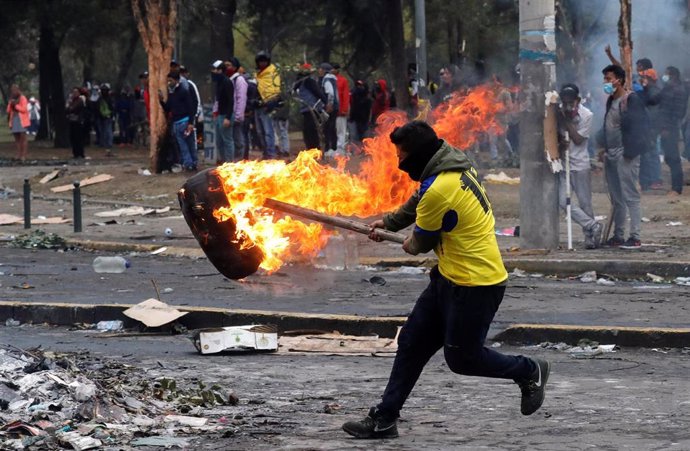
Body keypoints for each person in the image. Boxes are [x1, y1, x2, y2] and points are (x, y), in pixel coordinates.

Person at [342, 121, 551, 439]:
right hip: (448, 277)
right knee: (412, 343)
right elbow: (418, 201)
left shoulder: (442, 189)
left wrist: (401, 239)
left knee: (463, 359)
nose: (399, 163)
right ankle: (384, 418)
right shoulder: (449, 163)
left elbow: (419, 244)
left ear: (420, 155)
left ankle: (528, 369)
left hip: (475, 284)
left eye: (403, 156)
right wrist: (390, 222)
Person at [599, 64, 649, 249]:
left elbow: (640, 128)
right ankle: (618, 235)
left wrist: (630, 152)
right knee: (616, 197)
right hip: (611, 153)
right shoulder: (611, 100)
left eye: (608, 78)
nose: (605, 82)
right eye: (604, 78)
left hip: (625, 154)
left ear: (618, 80)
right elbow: (610, 126)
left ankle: (635, 236)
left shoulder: (631, 100)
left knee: (630, 196)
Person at [557, 83, 601, 249]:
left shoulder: (586, 115)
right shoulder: (558, 113)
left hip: (580, 164)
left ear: (578, 100)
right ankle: (591, 225)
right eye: (564, 102)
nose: (568, 105)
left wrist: (566, 121)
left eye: (571, 102)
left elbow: (578, 139)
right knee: (563, 201)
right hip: (563, 165)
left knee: (585, 203)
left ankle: (590, 237)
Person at [641, 66, 687, 195]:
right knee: (669, 157)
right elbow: (654, 100)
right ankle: (675, 186)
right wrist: (646, 88)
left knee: (673, 157)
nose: (664, 77)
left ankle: (677, 188)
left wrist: (667, 127)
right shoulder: (668, 88)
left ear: (673, 75)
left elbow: (677, 113)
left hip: (670, 128)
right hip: (663, 127)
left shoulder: (678, 90)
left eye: (666, 74)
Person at [159, 71, 198, 171]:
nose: (168, 83)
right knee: (184, 145)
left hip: (184, 122)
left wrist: (190, 122)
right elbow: (168, 108)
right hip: (177, 123)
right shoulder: (172, 93)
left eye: (170, 80)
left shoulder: (183, 91)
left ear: (176, 80)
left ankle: (191, 163)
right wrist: (161, 101)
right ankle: (190, 163)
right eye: (168, 81)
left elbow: (191, 108)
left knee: (187, 144)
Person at [254, 51, 281, 159]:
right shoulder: (257, 75)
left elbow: (275, 89)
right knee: (260, 132)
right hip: (258, 106)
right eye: (260, 61)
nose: (262, 63)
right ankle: (265, 153)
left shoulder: (273, 73)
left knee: (268, 131)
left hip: (268, 106)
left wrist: (272, 101)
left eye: (264, 61)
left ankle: (271, 154)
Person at [293, 63, 327, 150]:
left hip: (312, 109)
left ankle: (315, 149)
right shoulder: (301, 83)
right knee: (307, 130)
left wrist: (326, 103)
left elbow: (318, 93)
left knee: (311, 130)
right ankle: (311, 149)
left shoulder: (309, 81)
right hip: (306, 109)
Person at [211, 60, 235, 164]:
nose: (214, 72)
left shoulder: (226, 82)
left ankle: (229, 163)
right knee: (219, 141)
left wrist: (228, 117)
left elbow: (231, 101)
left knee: (227, 140)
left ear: (221, 70)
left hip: (226, 115)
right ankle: (224, 162)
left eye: (216, 69)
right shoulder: (219, 83)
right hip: (220, 115)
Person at [227, 57, 248, 162]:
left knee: (238, 141)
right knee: (230, 140)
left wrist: (238, 116)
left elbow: (241, 98)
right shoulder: (228, 79)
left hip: (236, 115)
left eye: (228, 65)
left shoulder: (239, 80)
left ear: (235, 67)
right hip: (228, 115)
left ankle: (240, 161)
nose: (226, 68)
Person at [180, 66, 205, 153]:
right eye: (180, 72)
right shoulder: (177, 84)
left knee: (192, 138)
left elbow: (197, 101)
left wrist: (195, 115)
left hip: (191, 116)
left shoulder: (190, 84)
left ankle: (194, 157)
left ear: (187, 73)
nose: (182, 75)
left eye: (183, 72)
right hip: (181, 117)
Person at [318, 62, 339, 153]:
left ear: (324, 70)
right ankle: (333, 147)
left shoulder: (326, 80)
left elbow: (330, 93)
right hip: (335, 106)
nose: (319, 71)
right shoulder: (333, 79)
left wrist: (329, 104)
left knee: (328, 127)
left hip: (330, 107)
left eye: (320, 69)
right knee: (332, 126)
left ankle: (328, 148)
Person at [6, 84, 30, 161]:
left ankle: (23, 155)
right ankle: (18, 154)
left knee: (23, 138)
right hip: (14, 119)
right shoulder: (12, 99)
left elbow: (24, 109)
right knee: (17, 139)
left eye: (15, 90)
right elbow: (8, 111)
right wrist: (10, 104)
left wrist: (16, 105)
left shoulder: (22, 98)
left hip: (22, 120)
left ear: (18, 90)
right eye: (12, 91)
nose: (14, 92)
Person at [332, 63, 350, 153]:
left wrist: (344, 109)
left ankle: (340, 149)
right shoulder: (327, 80)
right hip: (331, 110)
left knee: (341, 130)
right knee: (332, 130)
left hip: (340, 110)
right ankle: (333, 148)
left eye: (333, 69)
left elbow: (346, 96)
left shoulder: (343, 80)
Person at [66, 87, 87, 159]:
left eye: (76, 92)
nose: (74, 94)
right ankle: (75, 153)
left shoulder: (80, 101)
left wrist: (70, 108)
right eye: (73, 92)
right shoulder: (72, 101)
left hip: (78, 121)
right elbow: (68, 109)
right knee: (73, 138)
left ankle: (80, 153)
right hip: (72, 121)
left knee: (78, 138)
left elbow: (73, 109)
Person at [349, 80, 371, 145]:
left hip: (363, 118)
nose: (359, 87)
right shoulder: (355, 95)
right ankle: (358, 148)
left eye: (361, 86)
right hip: (356, 117)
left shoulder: (367, 98)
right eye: (358, 85)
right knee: (356, 135)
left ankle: (362, 148)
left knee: (363, 135)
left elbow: (369, 110)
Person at [96, 83, 115, 156]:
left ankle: (108, 143)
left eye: (105, 90)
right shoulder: (100, 99)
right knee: (102, 130)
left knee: (108, 130)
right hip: (101, 117)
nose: (103, 91)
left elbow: (112, 108)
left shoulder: (110, 99)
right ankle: (103, 143)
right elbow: (97, 107)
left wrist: (110, 114)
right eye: (102, 90)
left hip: (108, 116)